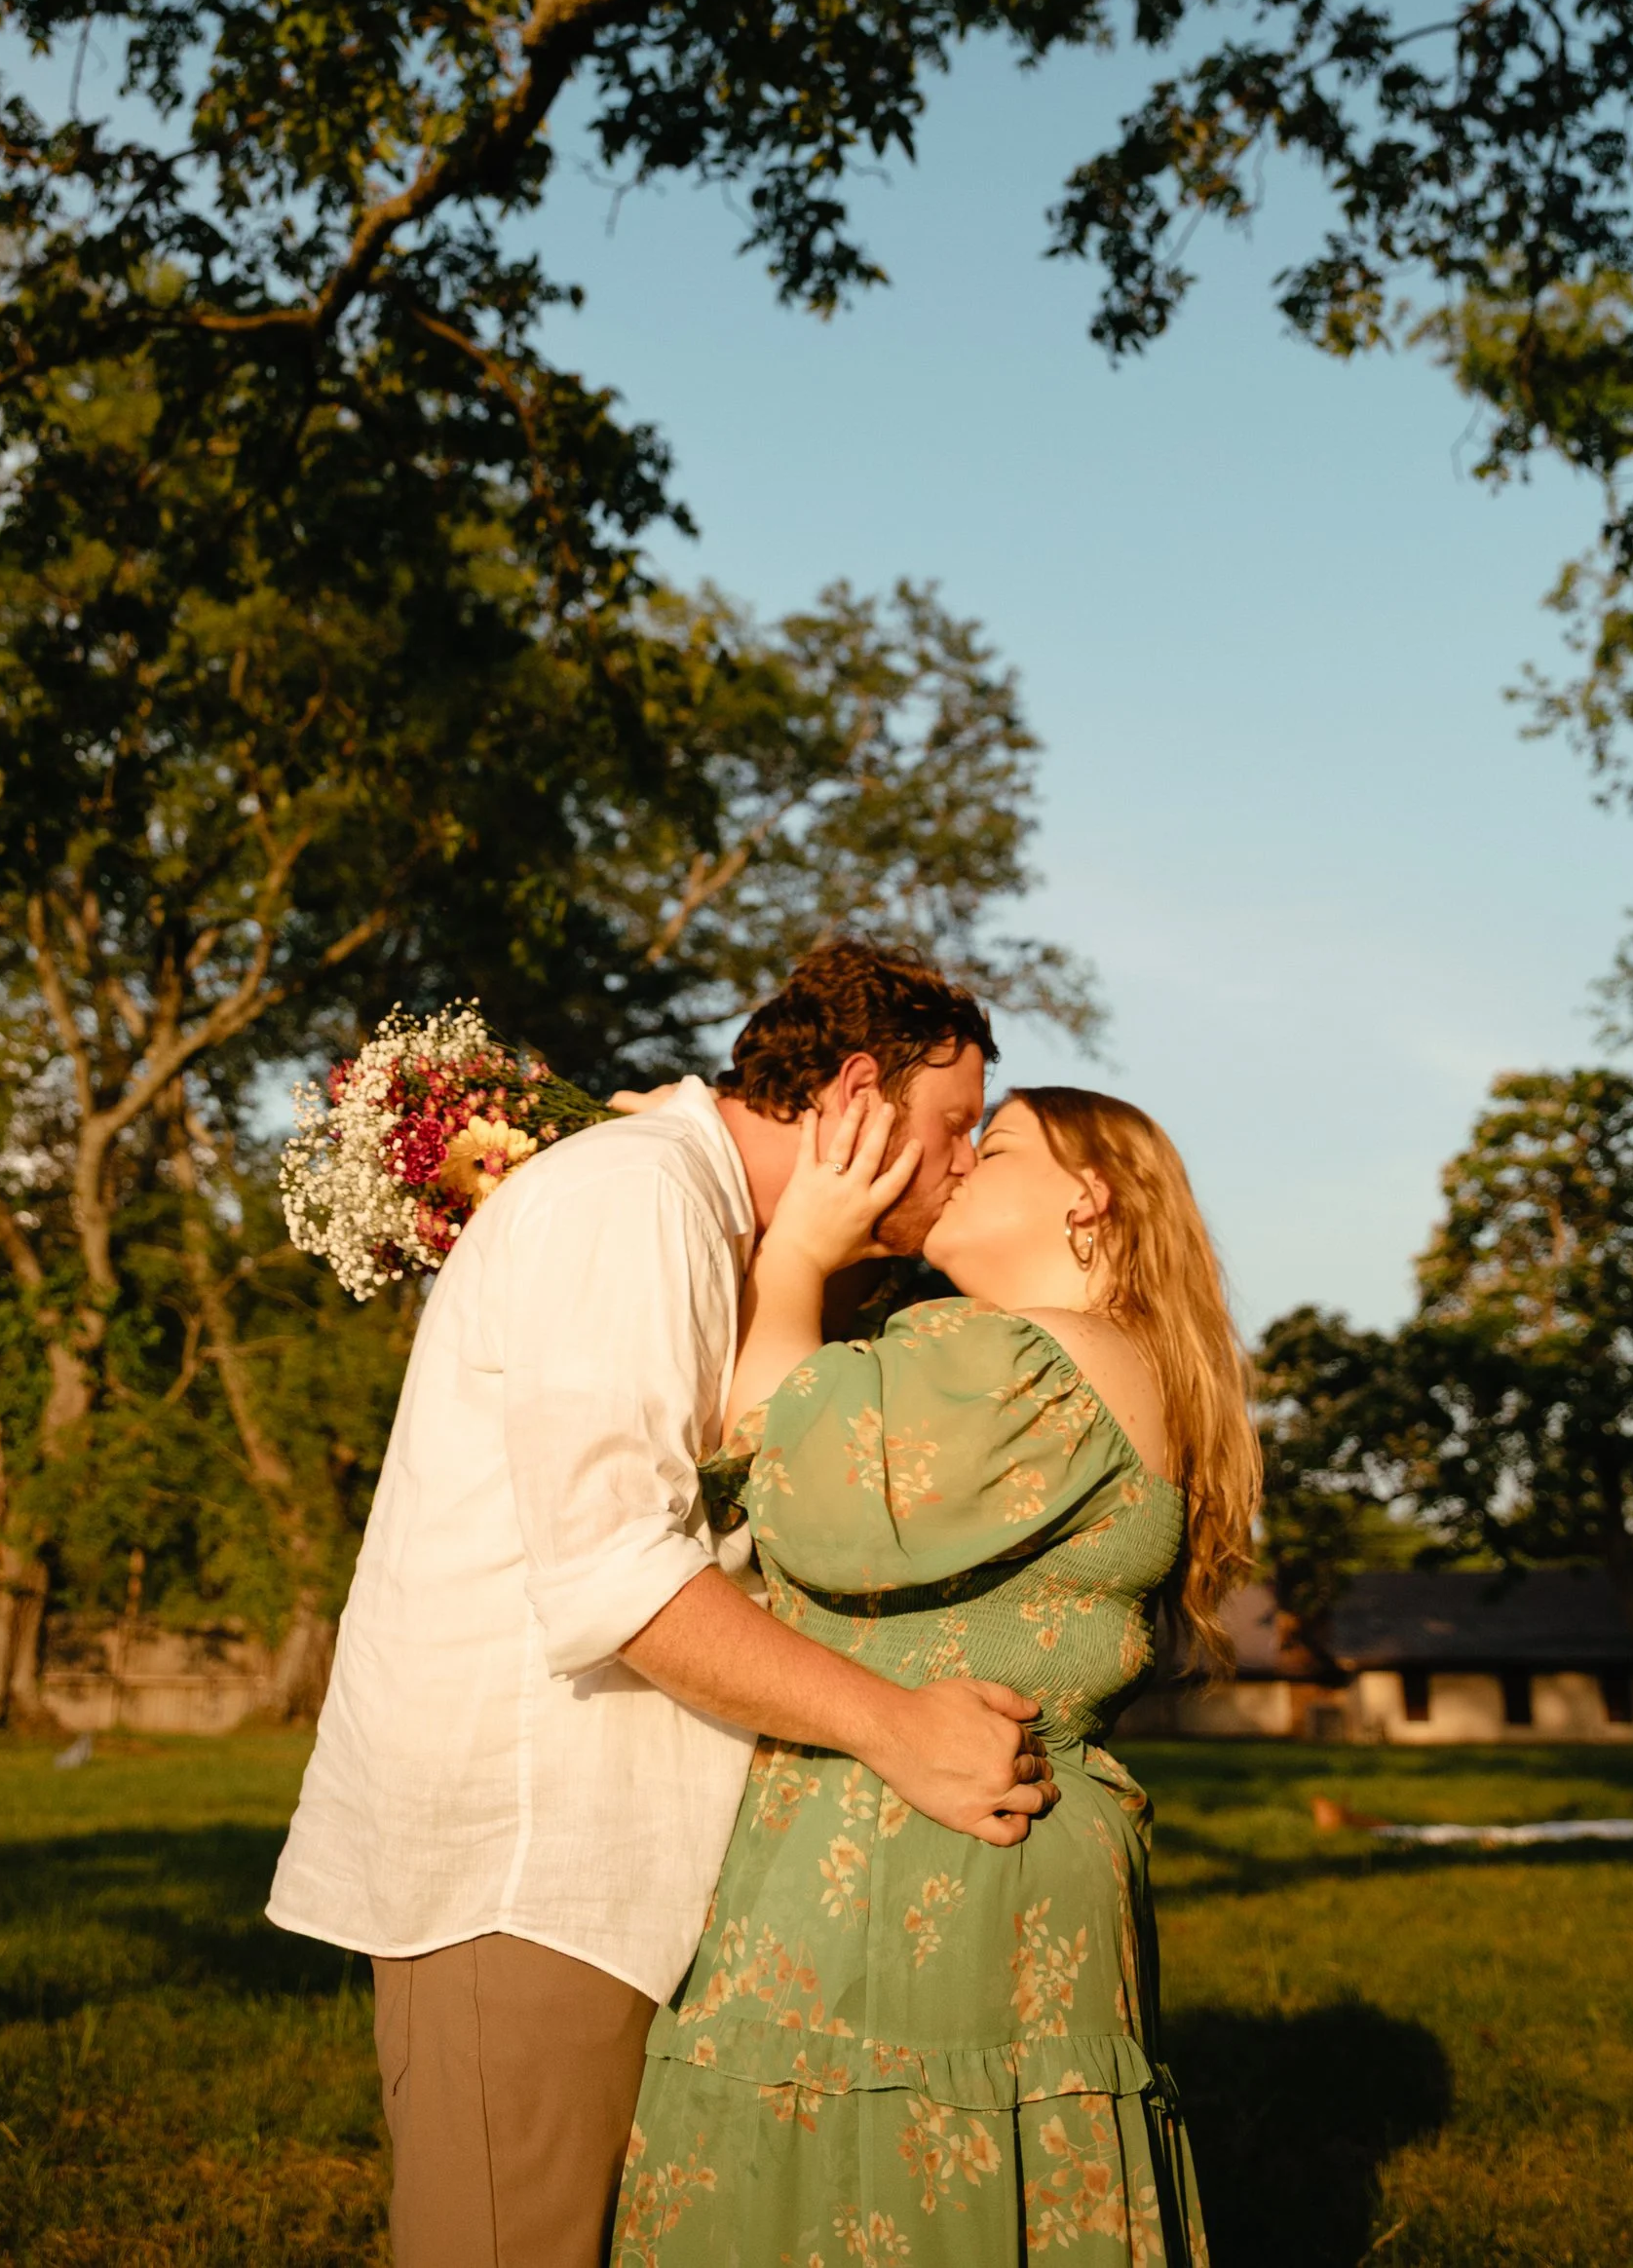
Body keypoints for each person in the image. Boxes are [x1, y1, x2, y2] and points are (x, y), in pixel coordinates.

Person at [266, 938, 1058, 2268]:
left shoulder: (700, 1213)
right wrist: (895, 1728)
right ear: (854, 1088)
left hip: (614, 1874)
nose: (967, 1159)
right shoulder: (631, 1198)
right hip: (525, 1874)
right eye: (954, 1124)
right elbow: (613, 1569)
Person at [612, 1081, 1262, 2268]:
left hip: (942, 1869)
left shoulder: (1042, 1354)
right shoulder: (1092, 1361)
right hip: (944, 1835)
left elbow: (799, 1479)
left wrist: (797, 1245)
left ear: (1090, 1197)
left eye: (996, 1142)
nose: (960, 1163)